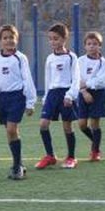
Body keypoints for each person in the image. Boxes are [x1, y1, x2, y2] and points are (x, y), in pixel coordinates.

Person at [0, 24, 37, 180]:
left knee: (12, 129)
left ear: (17, 39)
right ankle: (17, 163)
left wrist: (30, 102)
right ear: (0, 41)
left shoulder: (20, 58)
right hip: (3, 98)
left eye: (11, 37)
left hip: (17, 97)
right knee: (10, 132)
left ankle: (18, 166)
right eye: (5, 38)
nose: (8, 40)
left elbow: (27, 79)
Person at [35, 23, 81, 170]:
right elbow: (48, 79)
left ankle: (71, 157)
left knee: (67, 127)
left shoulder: (71, 57)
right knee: (43, 124)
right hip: (52, 94)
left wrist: (70, 95)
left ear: (64, 39)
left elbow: (76, 78)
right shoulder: (50, 58)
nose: (52, 42)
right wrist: (46, 97)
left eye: (56, 39)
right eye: (50, 39)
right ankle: (50, 156)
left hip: (66, 94)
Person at [76, 31, 105, 162]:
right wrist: (84, 91)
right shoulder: (80, 61)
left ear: (99, 46)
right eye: (89, 44)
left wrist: (88, 83)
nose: (92, 46)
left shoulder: (102, 62)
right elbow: (77, 78)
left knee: (95, 123)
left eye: (95, 44)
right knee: (82, 124)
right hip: (82, 92)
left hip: (98, 94)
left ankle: (95, 151)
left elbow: (102, 80)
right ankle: (96, 142)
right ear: (85, 46)